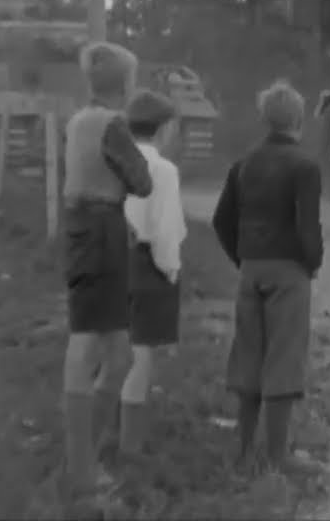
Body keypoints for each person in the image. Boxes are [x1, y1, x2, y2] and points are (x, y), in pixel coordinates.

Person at [211, 79, 324, 478]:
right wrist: (312, 263)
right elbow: (307, 226)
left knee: (248, 357)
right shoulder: (305, 166)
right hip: (288, 271)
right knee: (284, 358)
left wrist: (241, 258)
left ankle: (243, 452)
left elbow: (221, 220)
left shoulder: (243, 164)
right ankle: (278, 456)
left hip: (251, 268)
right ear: (297, 118)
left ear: (264, 119)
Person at [60, 42, 153, 506]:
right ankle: (80, 472)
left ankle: (86, 456)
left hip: (84, 230)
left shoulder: (78, 120)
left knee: (119, 354)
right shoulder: (113, 125)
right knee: (88, 344)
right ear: (123, 85)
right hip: (101, 233)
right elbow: (142, 181)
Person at [118, 89, 187, 456]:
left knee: (113, 349)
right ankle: (129, 446)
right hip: (145, 264)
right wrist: (171, 269)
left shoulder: (112, 161)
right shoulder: (162, 170)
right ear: (163, 129)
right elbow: (165, 230)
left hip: (109, 260)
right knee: (141, 357)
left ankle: (102, 432)